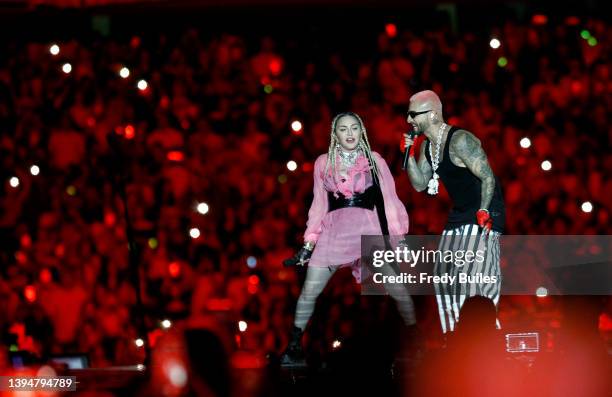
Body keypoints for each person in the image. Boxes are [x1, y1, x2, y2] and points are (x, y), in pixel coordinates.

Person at [280, 112, 417, 367]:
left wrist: (399, 239)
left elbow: (389, 200)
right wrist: (309, 244)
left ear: (361, 131)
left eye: (355, 128)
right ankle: (294, 346)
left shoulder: (374, 160)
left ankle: (414, 342)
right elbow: (319, 206)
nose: (350, 133)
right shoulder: (323, 163)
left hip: (368, 228)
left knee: (398, 287)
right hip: (334, 232)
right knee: (310, 291)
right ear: (336, 134)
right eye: (344, 129)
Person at [403, 90, 505, 334]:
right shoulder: (428, 146)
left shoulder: (460, 140)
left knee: (475, 278)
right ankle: (455, 335)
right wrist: (406, 155)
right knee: (444, 275)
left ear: (433, 114)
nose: (409, 120)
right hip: (460, 213)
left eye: (413, 114)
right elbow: (419, 184)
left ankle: (486, 337)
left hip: (483, 210)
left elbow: (488, 177)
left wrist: (483, 210)